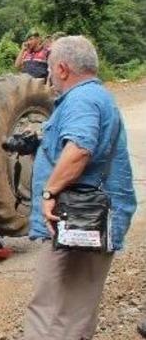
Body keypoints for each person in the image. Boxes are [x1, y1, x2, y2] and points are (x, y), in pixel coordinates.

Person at [23, 36, 137, 340]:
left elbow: (80, 149)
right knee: (77, 311)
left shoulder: (81, 100)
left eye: (49, 69)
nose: (48, 75)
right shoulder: (96, 97)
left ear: (62, 69)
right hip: (91, 218)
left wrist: (49, 192)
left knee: (52, 313)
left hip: (78, 219)